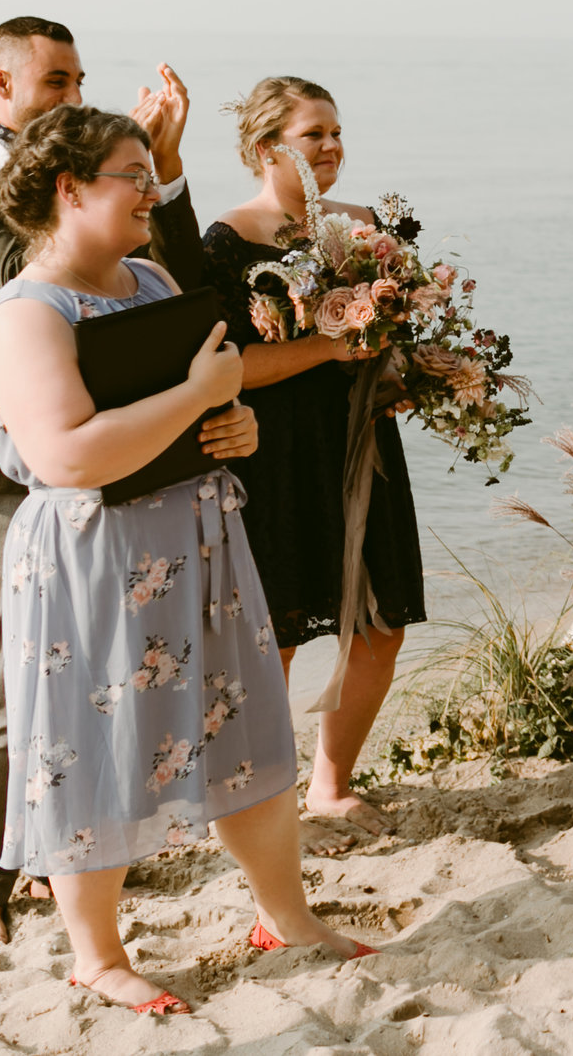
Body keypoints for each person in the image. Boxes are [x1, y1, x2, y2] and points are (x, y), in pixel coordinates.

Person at [0, 105, 372, 1015]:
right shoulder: (25, 316)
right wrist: (201, 391)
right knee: (94, 746)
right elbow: (70, 454)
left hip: (196, 538)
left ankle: (286, 913)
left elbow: (209, 409)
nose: (152, 187)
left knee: (247, 722)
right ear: (71, 189)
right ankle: (99, 955)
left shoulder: (151, 279)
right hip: (94, 562)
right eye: (131, 172)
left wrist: (233, 423)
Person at [0, 15, 250, 947]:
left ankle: (112, 842)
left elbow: (167, 280)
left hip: (137, 448)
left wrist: (153, 179)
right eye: (55, 81)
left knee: (128, 660)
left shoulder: (111, 188)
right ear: (0, 85)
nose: (72, 93)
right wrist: (92, 196)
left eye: (79, 79)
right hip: (2, 464)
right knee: (13, 674)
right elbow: (33, 275)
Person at [200, 76, 424, 831]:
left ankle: (332, 783)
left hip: (362, 442)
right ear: (268, 149)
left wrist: (408, 374)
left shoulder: (367, 227)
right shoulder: (227, 241)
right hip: (276, 453)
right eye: (313, 134)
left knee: (380, 622)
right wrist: (328, 345)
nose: (331, 147)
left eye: (335, 132)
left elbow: (397, 335)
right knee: (279, 634)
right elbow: (229, 366)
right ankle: (263, 799)